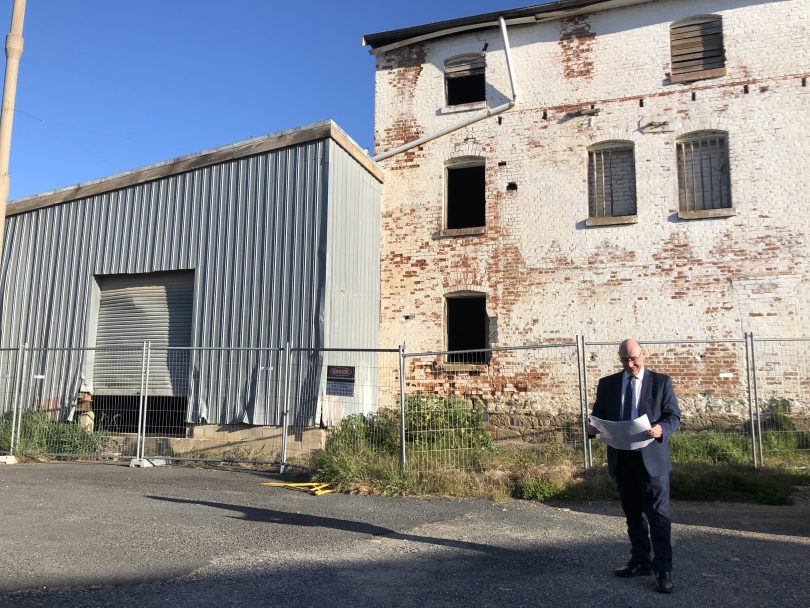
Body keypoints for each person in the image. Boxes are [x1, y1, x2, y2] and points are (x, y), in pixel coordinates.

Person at [588, 338, 681, 594]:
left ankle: (663, 570)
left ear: (644, 354)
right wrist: (592, 428)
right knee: (633, 515)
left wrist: (662, 428)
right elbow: (598, 416)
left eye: (634, 358)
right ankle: (640, 560)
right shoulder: (607, 384)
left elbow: (674, 416)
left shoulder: (661, 382)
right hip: (622, 459)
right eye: (624, 360)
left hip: (652, 460)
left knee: (658, 516)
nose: (630, 364)